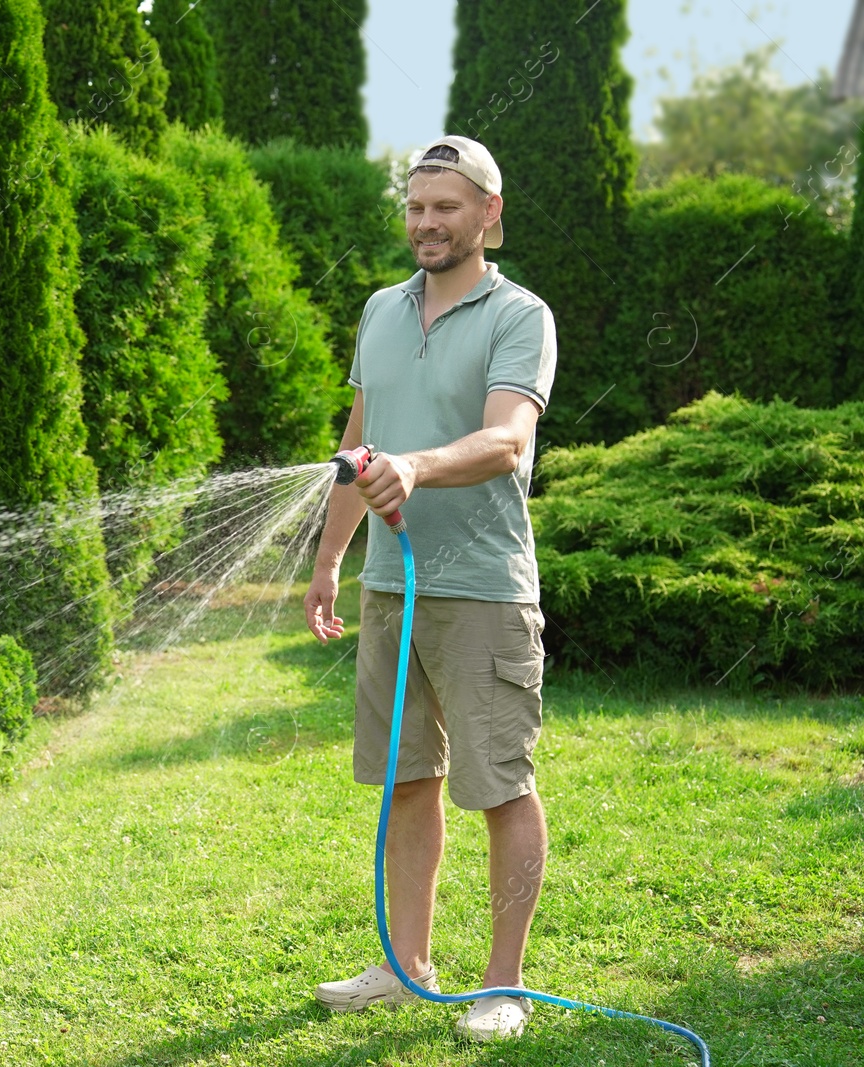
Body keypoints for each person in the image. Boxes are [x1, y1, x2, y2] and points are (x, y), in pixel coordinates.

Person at [301, 134, 557, 1043]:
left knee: (499, 788)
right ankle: (406, 968)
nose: (425, 222)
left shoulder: (518, 314)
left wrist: (415, 466)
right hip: (391, 586)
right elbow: (358, 438)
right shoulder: (379, 310)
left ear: (489, 213)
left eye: (445, 206)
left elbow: (506, 442)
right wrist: (333, 555)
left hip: (482, 589)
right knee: (406, 782)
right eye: (415, 206)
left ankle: (504, 985)